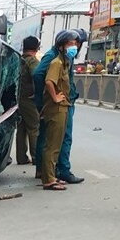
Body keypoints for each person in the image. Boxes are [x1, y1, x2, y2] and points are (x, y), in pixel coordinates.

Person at [33, 29, 85, 184]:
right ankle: (58, 172)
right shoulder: (54, 58)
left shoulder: (64, 58)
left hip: (61, 103)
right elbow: (40, 76)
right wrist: (49, 98)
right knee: (57, 140)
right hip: (57, 105)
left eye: (76, 43)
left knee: (49, 138)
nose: (75, 46)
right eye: (71, 43)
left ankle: (46, 172)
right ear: (62, 45)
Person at [16, 36, 40, 165]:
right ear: (36, 48)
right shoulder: (32, 61)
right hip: (29, 99)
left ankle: (21, 157)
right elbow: (37, 76)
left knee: (21, 128)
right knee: (34, 128)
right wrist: (37, 94)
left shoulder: (19, 60)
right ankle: (36, 157)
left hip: (18, 99)